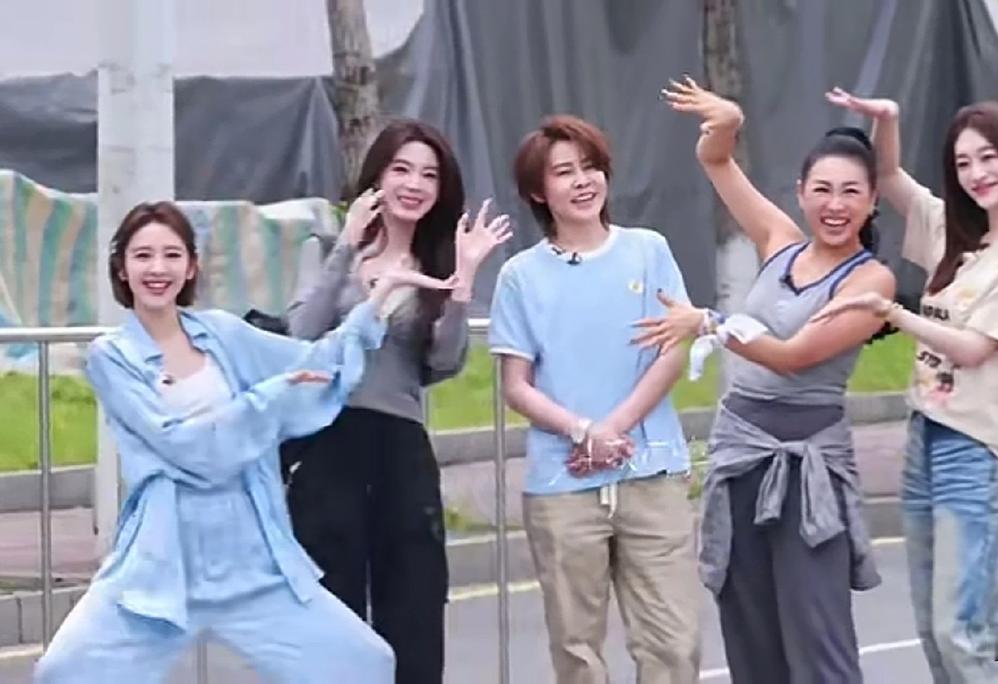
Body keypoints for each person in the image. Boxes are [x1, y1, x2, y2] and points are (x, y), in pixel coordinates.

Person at [34, 200, 453, 683]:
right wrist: (271, 398)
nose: (158, 268)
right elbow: (187, 447)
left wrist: (376, 301)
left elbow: (313, 364)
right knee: (65, 670)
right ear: (122, 269)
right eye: (143, 256)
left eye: (172, 255)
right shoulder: (112, 357)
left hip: (252, 561)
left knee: (363, 660)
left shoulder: (222, 334)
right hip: (163, 564)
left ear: (191, 267)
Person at [632, 77, 893, 683]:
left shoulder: (871, 281)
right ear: (800, 193)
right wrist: (728, 123)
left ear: (872, 200)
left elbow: (793, 356)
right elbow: (716, 161)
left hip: (809, 467)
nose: (835, 204)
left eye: (850, 192)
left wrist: (711, 324)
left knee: (817, 633)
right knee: (748, 624)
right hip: (740, 454)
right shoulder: (780, 242)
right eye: (822, 189)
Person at [816, 88, 998, 683]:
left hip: (979, 448)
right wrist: (888, 120)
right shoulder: (955, 234)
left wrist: (893, 313)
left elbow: (975, 349)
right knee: (934, 631)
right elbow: (890, 177)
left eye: (989, 157)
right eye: (963, 162)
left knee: (966, 635)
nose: (977, 173)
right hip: (927, 436)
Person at [283, 119, 509, 683]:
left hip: (400, 446)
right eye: (401, 169)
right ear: (377, 176)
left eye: (429, 175)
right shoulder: (327, 249)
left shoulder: (435, 264)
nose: (414, 184)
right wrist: (347, 246)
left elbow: (443, 362)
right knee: (331, 611)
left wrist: (461, 283)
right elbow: (300, 336)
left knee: (413, 608)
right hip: (327, 444)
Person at [488, 114, 702, 683]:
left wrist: (614, 430)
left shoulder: (649, 251)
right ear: (539, 191)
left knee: (674, 644)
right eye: (564, 172)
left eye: (590, 167)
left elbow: (672, 352)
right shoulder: (521, 277)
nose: (582, 181)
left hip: (651, 473)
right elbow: (516, 385)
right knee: (577, 650)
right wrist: (583, 432)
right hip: (563, 487)